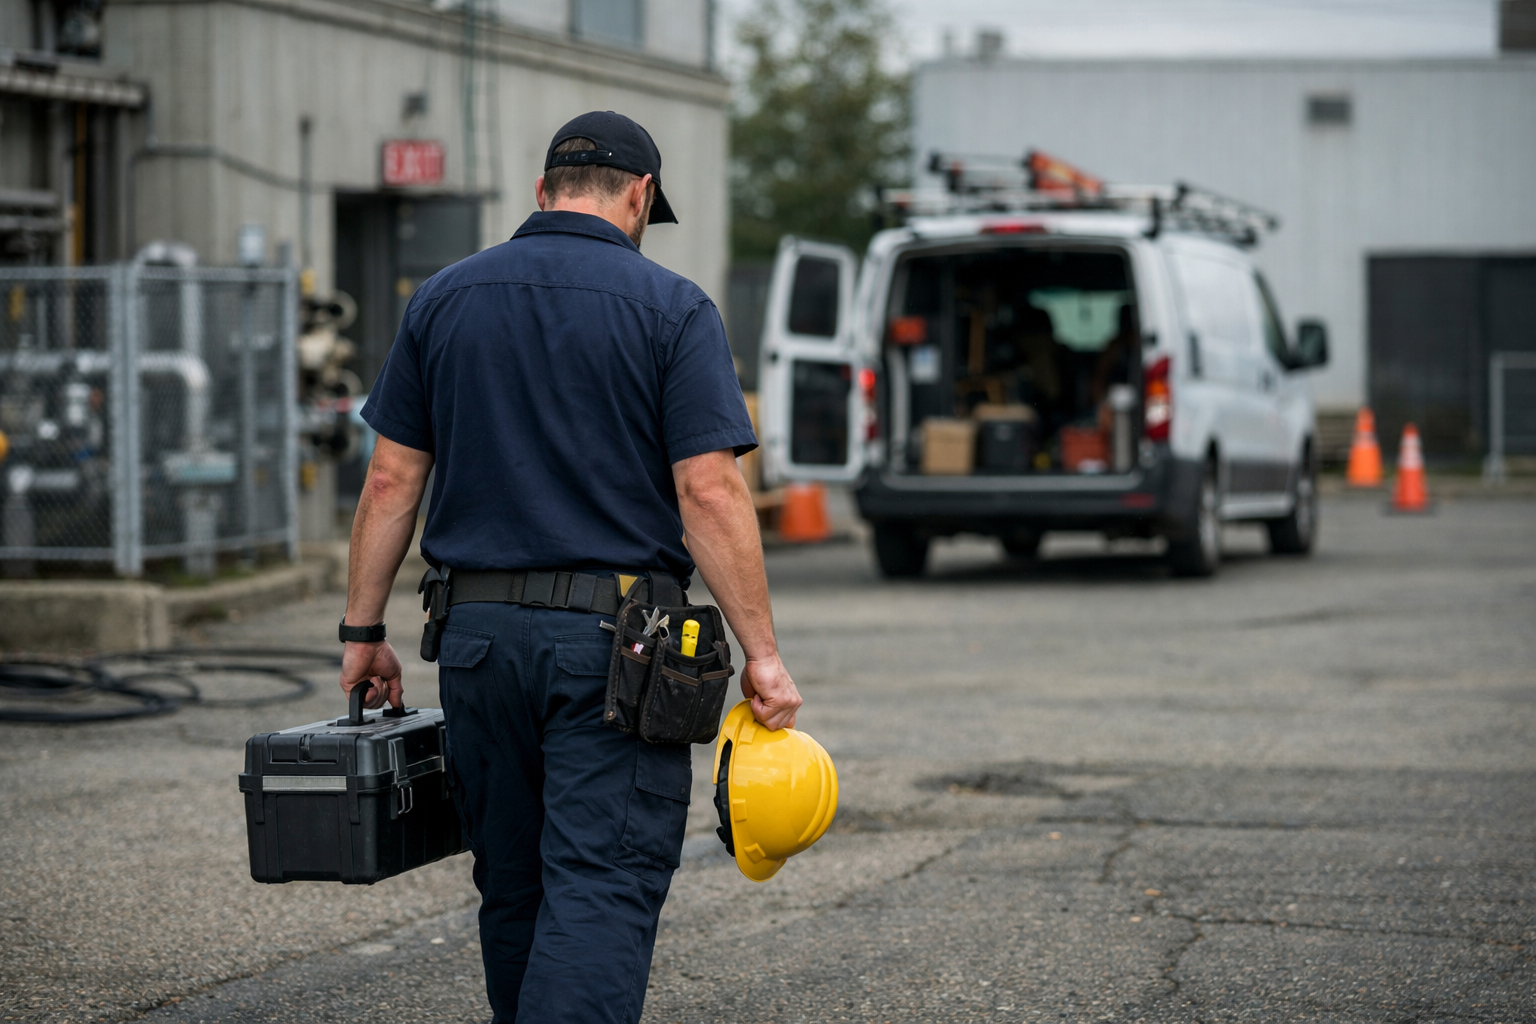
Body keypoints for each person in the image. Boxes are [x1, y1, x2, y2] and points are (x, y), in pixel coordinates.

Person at [335, 111, 803, 1024]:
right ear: (640, 198)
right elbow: (708, 493)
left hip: (473, 644)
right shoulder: (673, 309)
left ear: (543, 192)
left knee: (514, 886)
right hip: (616, 654)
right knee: (601, 882)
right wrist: (764, 654)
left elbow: (391, 478)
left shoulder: (442, 299)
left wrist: (361, 635)